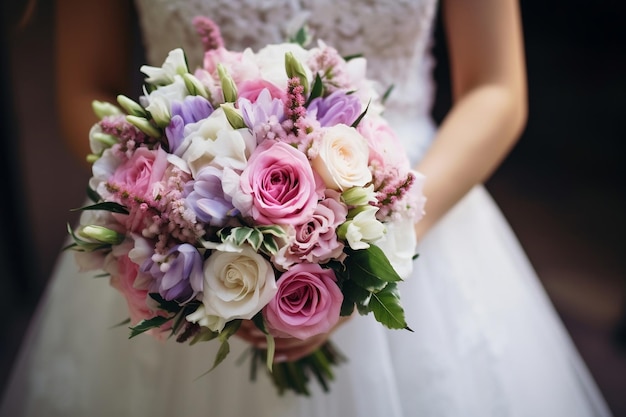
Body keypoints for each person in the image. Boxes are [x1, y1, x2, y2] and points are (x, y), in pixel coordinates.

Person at [0, 0, 613, 416]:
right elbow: (85, 84)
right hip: (175, 231)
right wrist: (182, 215)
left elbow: (497, 88)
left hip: (417, 200)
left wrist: (373, 244)